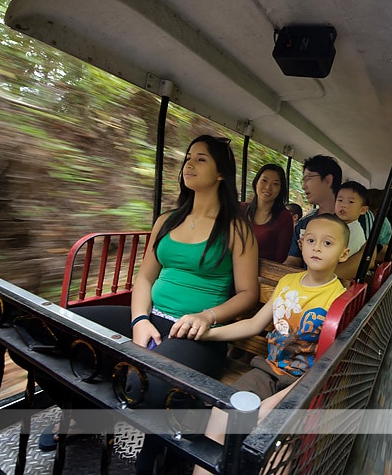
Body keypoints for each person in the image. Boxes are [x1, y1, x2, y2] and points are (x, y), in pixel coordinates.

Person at [56, 134, 259, 473]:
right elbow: (146, 278)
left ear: (222, 173)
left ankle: (165, 448)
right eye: (188, 157)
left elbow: (248, 294)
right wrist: (138, 320)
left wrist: (207, 316)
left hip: (195, 334)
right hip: (150, 319)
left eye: (201, 159)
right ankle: (87, 415)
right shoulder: (168, 220)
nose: (189, 164)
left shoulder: (237, 229)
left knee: (140, 384)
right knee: (60, 325)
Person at [191, 214, 351, 474]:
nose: (317, 247)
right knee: (223, 412)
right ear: (301, 243)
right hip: (266, 371)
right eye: (311, 240)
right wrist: (206, 333)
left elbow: (325, 365)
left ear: (343, 254)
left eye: (328, 243)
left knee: (276, 439)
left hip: (304, 384)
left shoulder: (338, 300)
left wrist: (276, 402)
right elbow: (254, 324)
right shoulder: (286, 283)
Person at [283, 155, 342, 267]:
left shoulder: (353, 220)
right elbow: (293, 260)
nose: (304, 186)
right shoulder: (303, 224)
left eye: (308, 179)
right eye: (303, 181)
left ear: (328, 180)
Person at [241, 163, 293, 262]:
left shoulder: (284, 218)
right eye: (264, 181)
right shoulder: (240, 209)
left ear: (280, 189)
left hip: (263, 275)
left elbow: (280, 260)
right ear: (256, 182)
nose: (268, 188)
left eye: (275, 184)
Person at [335, 181, 370, 257]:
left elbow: (340, 258)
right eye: (340, 200)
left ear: (363, 210)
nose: (343, 205)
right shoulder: (335, 226)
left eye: (350, 202)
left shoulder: (355, 232)